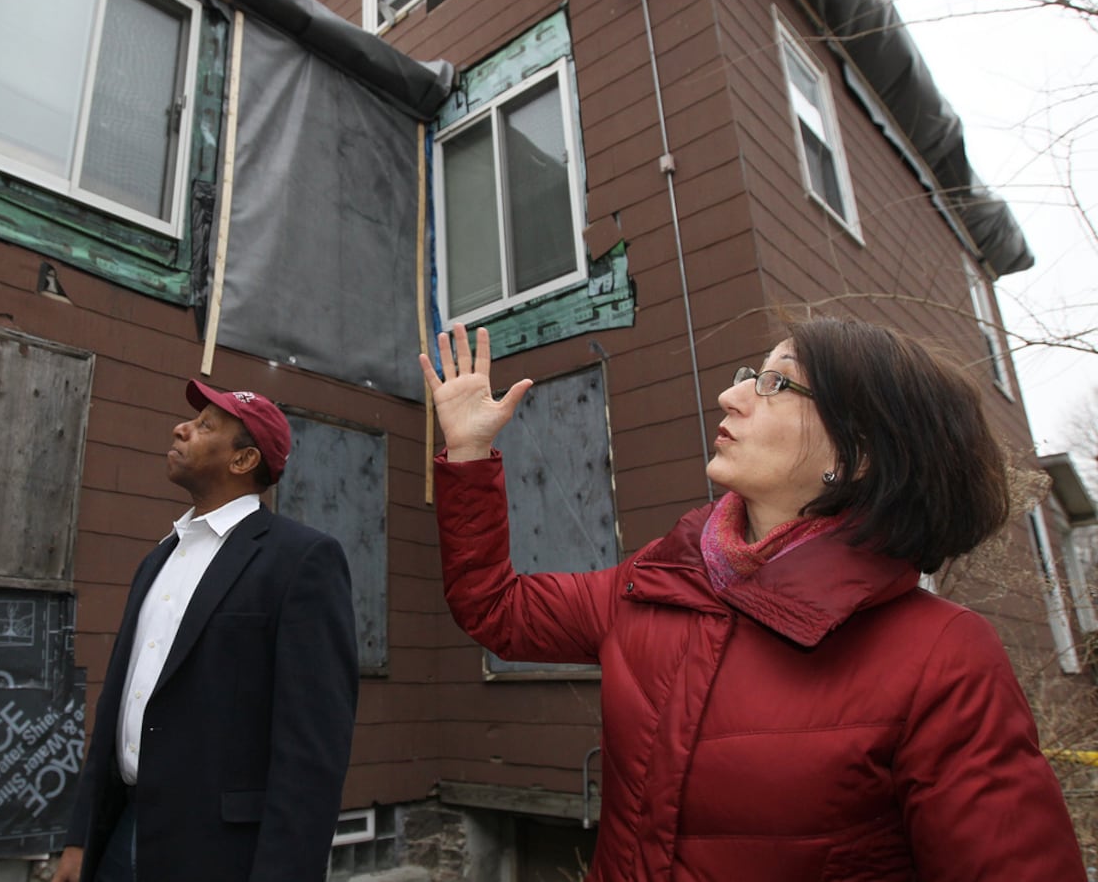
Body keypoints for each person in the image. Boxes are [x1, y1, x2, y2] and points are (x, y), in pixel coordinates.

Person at [419, 318, 1086, 881]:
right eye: (751, 374)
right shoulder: (660, 580)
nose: (730, 395)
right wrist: (471, 451)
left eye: (778, 383)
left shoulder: (943, 658)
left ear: (858, 455)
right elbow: (497, 608)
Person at [54, 380, 358, 882]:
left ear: (242, 461)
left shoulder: (300, 559)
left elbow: (313, 746)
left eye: (204, 426)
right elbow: (118, 705)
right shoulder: (158, 559)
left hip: (219, 853)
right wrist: (81, 837)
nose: (181, 428)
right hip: (122, 833)